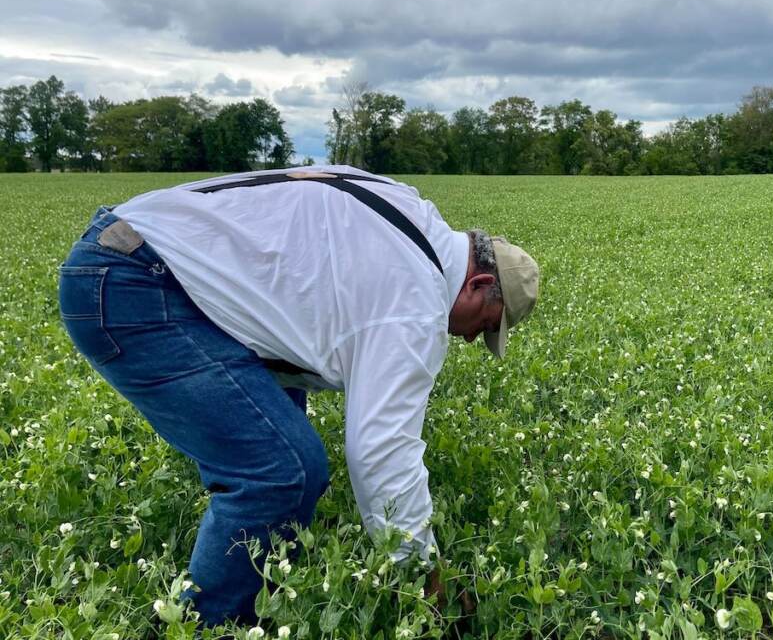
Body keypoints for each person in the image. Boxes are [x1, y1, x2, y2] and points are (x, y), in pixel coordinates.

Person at [56, 165, 539, 627]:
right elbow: (381, 452)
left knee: (280, 434)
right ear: (477, 284)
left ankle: (268, 569)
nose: (474, 338)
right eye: (488, 325)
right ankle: (207, 625)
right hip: (135, 284)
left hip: (130, 251)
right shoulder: (414, 305)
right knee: (283, 473)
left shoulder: (408, 208)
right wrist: (422, 576)